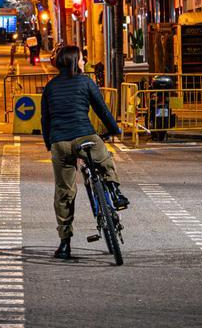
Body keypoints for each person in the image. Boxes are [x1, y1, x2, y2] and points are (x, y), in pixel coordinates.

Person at [40, 44, 128, 261]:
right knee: (104, 159)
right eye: (81, 59)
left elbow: (45, 120)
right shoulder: (86, 82)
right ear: (73, 61)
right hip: (85, 136)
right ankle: (115, 193)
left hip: (60, 142)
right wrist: (114, 130)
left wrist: (49, 144)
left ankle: (64, 243)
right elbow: (101, 109)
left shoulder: (50, 88)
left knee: (64, 190)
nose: (83, 61)